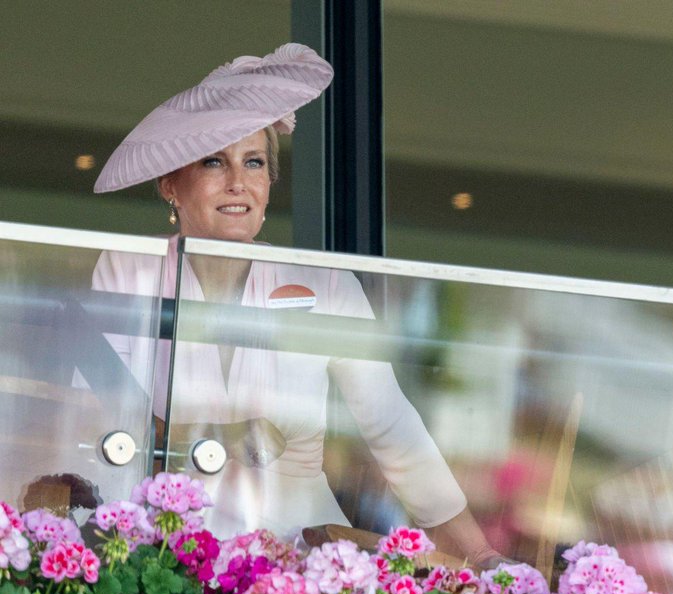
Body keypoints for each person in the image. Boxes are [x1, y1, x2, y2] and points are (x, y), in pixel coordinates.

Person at [90, 44, 504, 566]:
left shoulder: (324, 282)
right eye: (214, 160)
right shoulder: (130, 267)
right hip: (164, 542)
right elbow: (103, 410)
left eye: (254, 162)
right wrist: (212, 436)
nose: (238, 182)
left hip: (300, 554)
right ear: (171, 183)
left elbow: (391, 426)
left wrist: (481, 554)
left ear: (269, 183)